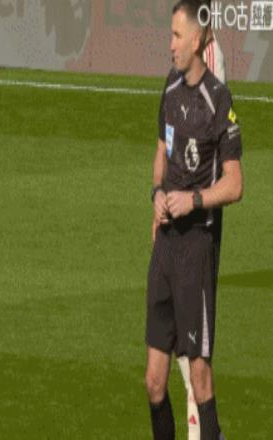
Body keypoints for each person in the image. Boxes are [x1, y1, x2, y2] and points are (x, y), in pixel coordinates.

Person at [145, 1, 243, 439]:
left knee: (199, 374)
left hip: (196, 250)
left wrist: (194, 200)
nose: (170, 45)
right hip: (165, 247)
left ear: (198, 40)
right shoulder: (169, 87)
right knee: (154, 382)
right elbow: (161, 152)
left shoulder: (218, 99)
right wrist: (157, 194)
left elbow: (235, 184)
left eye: (177, 36)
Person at [175, 2, 227, 438]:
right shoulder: (190, 56)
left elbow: (207, 147)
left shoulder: (209, 58)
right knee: (180, 342)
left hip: (197, 226)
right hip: (177, 222)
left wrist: (188, 198)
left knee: (196, 352)